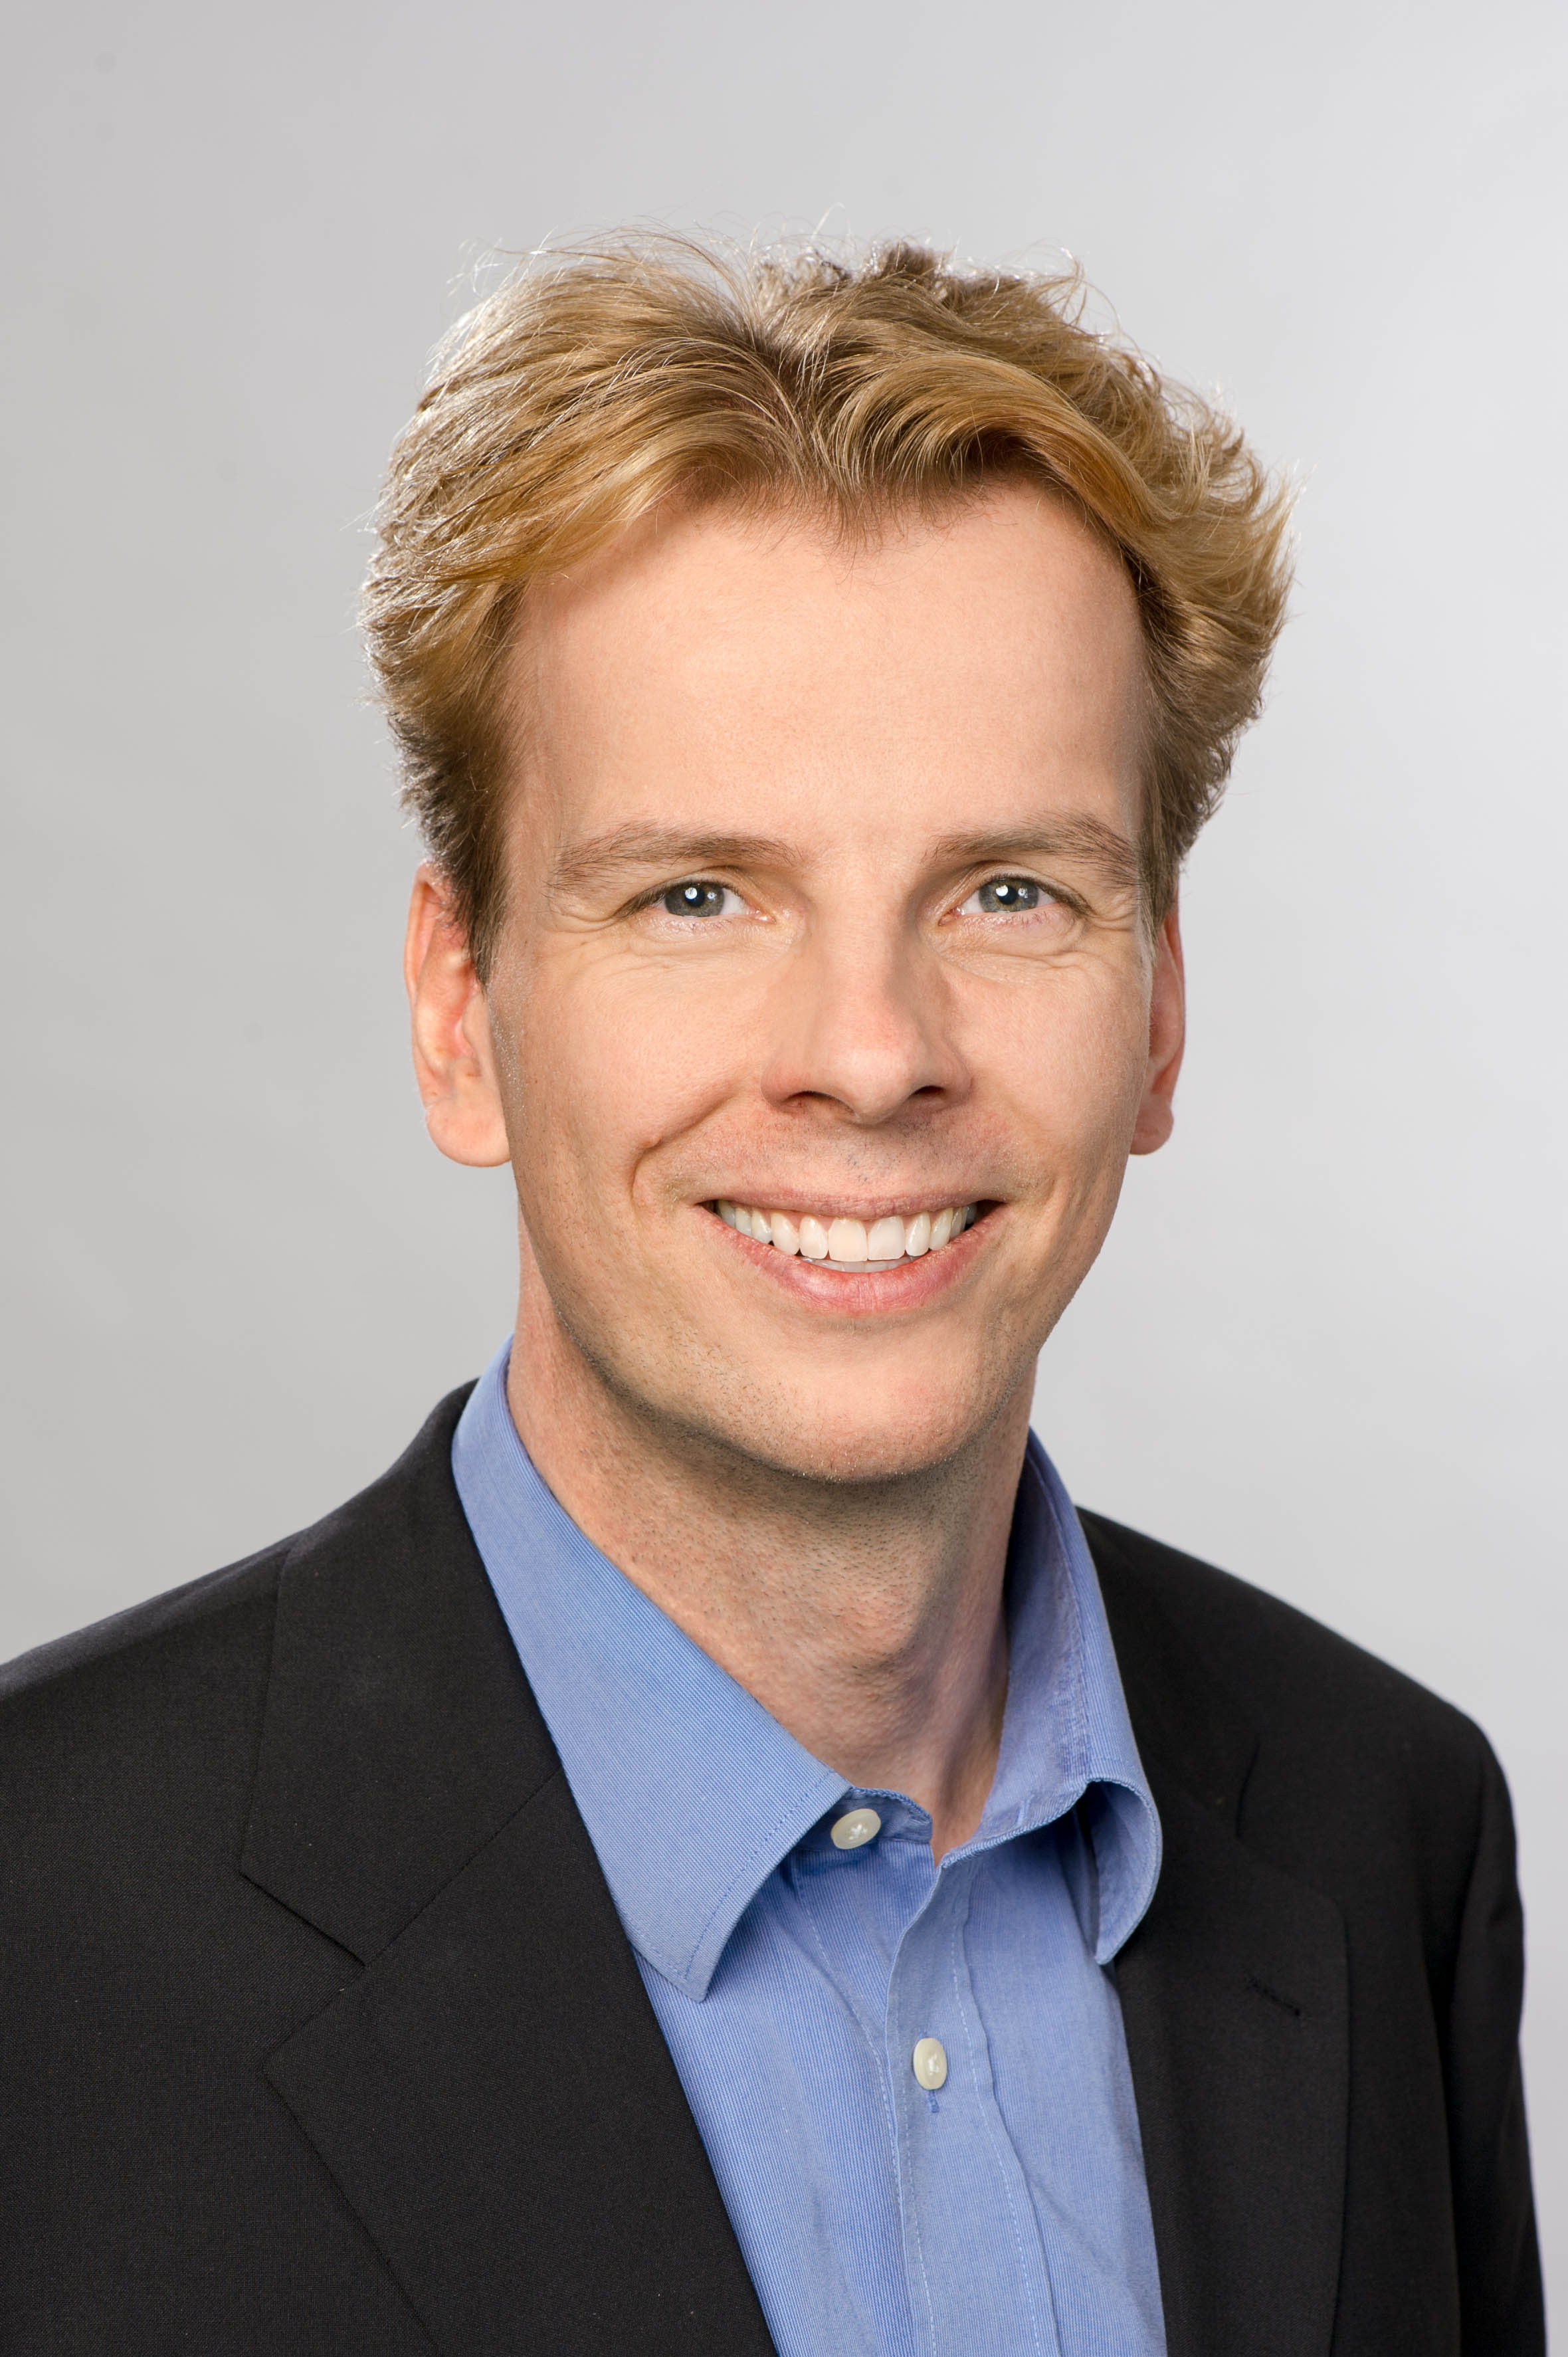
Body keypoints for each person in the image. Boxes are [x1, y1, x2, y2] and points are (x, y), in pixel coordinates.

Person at [0, 237, 1542, 2357]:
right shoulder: (40, 1926)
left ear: (1160, 1010)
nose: (872, 1051)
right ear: (459, 1011)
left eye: (1012, 889)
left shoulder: (1384, 1830)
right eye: (700, 894)